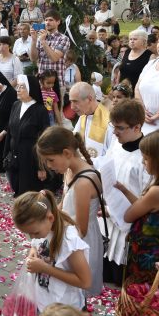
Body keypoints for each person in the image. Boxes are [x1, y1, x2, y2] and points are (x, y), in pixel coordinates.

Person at [37, 126, 105, 296]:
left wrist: (52, 227)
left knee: (76, 292)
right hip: (68, 236)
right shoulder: (68, 170)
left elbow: (80, 229)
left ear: (67, 153)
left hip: (79, 243)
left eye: (50, 160)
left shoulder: (83, 183)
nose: (48, 166)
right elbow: (64, 205)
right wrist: (48, 207)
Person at [115, 129, 159, 280]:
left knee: (138, 293)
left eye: (146, 159)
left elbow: (129, 216)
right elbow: (146, 209)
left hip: (144, 254)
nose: (142, 162)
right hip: (156, 250)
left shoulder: (157, 191)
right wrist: (125, 191)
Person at [12, 190, 91, 311]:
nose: (32, 237)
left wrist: (45, 268)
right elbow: (35, 244)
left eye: (35, 232)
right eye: (28, 233)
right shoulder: (44, 228)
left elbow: (85, 282)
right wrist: (33, 250)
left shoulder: (69, 241)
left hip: (64, 310)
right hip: (44, 301)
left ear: (50, 218)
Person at [102, 100, 151, 282]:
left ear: (137, 127)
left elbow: (146, 195)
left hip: (128, 225)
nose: (114, 132)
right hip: (106, 219)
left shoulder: (146, 157)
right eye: (113, 126)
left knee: (119, 278)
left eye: (120, 128)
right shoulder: (116, 144)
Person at [3, 75, 50, 195]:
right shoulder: (16, 105)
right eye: (17, 86)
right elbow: (10, 131)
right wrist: (5, 153)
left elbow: (44, 140)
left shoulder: (40, 110)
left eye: (22, 87)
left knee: (29, 192)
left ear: (31, 89)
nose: (18, 89)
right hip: (15, 155)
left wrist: (42, 167)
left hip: (31, 157)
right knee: (17, 188)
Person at [30, 10, 71, 99]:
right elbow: (33, 58)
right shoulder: (40, 38)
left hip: (57, 83)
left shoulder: (63, 39)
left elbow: (54, 58)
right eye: (46, 20)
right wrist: (33, 40)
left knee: (57, 112)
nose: (47, 22)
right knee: (41, 111)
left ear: (58, 22)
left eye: (51, 20)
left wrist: (43, 42)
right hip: (41, 83)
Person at [69, 82, 114, 159]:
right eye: (71, 101)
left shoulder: (109, 122)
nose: (72, 107)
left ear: (89, 99)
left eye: (75, 101)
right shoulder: (83, 116)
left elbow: (112, 156)